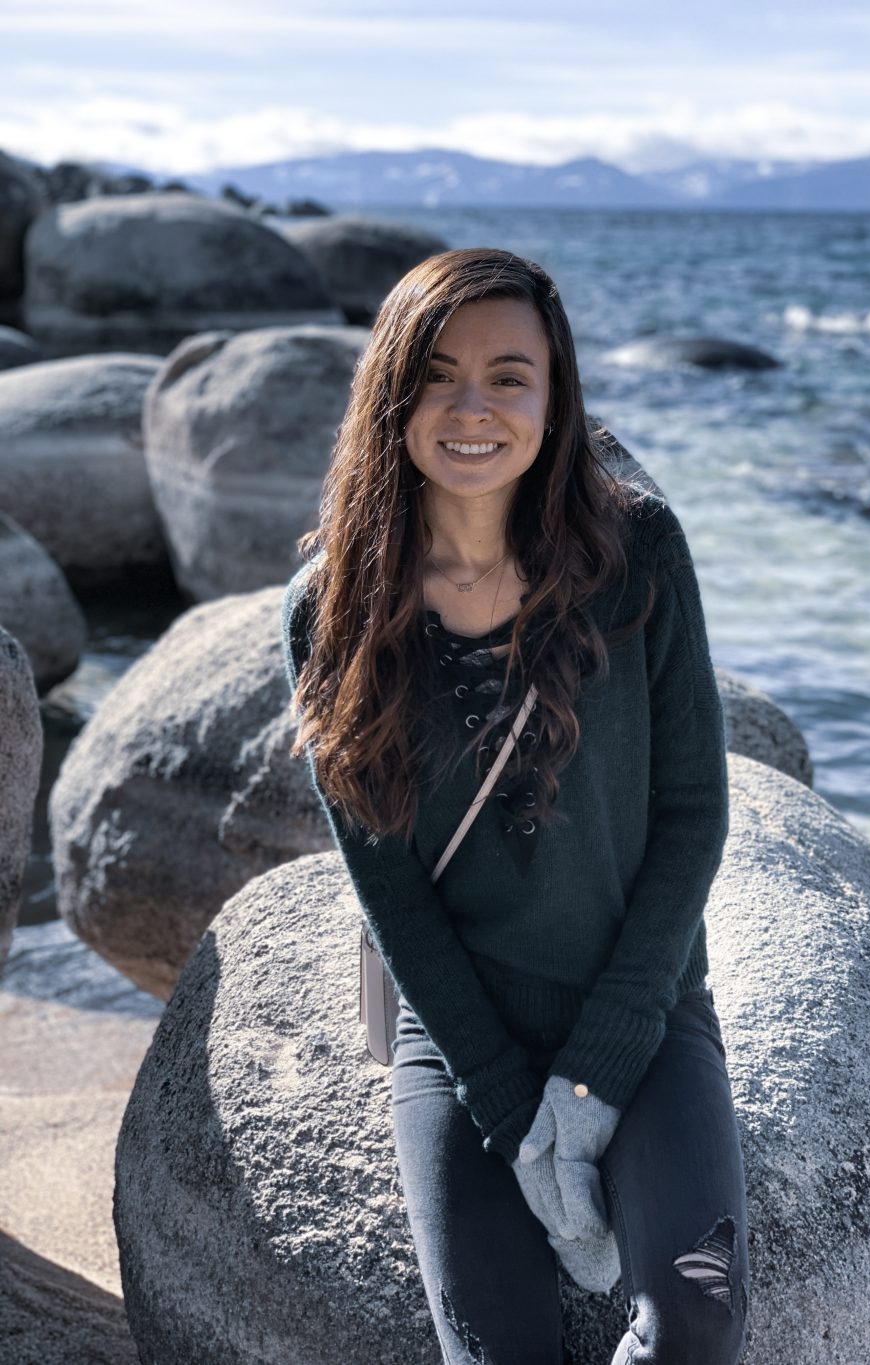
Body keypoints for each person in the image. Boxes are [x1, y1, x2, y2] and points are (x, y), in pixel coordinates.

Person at [280, 247, 750, 1364]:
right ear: (392, 394)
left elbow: (692, 814)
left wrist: (596, 1076)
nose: (472, 407)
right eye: (438, 374)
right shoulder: (332, 606)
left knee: (697, 1318)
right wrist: (510, 1108)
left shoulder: (637, 555)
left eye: (508, 375)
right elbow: (385, 887)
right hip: (456, 1038)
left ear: (555, 394)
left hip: (642, 1006)